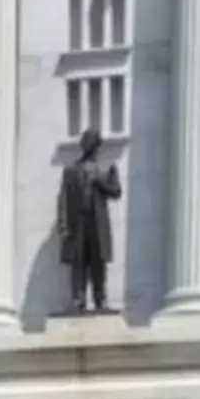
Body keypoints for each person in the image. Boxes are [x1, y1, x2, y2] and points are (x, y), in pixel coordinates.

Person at [57, 126, 120, 313]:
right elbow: (63, 198)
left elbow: (116, 192)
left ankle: (100, 298)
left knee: (97, 261)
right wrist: (63, 223)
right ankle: (78, 298)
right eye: (85, 141)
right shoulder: (71, 170)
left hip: (97, 222)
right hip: (78, 222)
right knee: (78, 261)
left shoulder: (106, 169)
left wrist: (100, 182)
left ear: (96, 146)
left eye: (90, 141)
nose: (86, 144)